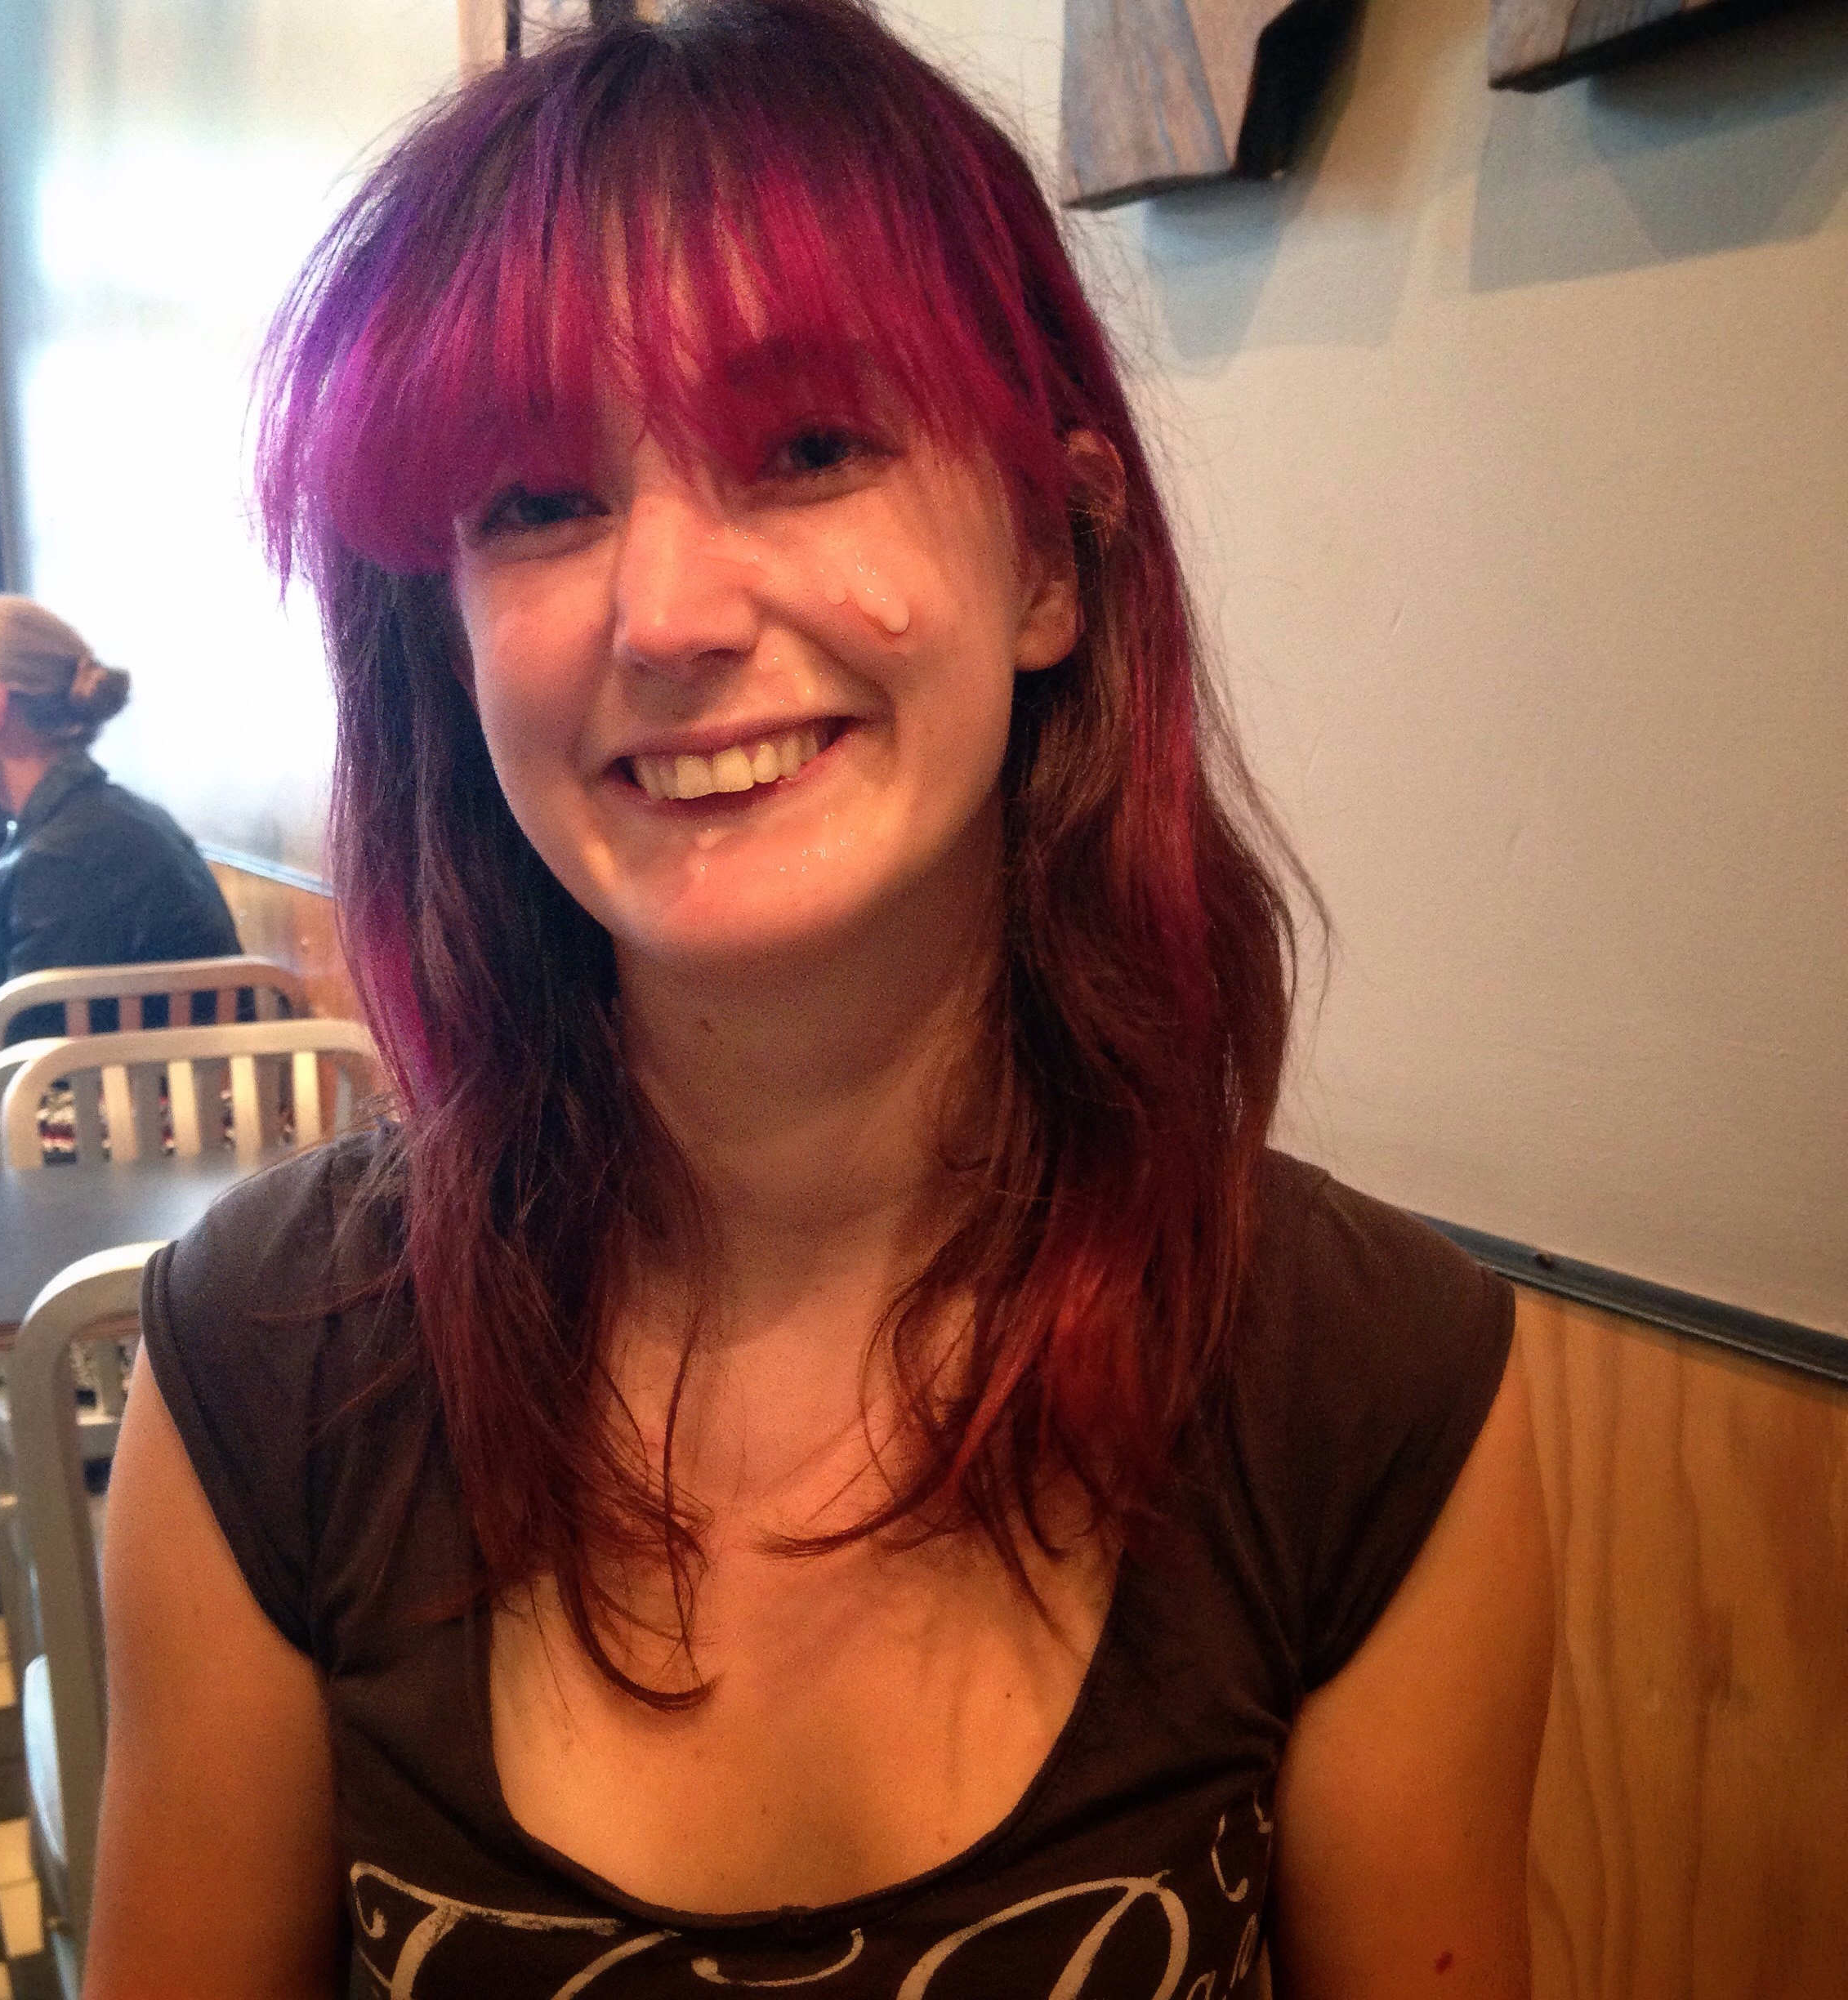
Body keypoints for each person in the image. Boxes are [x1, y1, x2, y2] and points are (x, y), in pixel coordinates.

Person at [91, 3, 1554, 1994]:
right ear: (442, 639)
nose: (669, 610)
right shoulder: (264, 1370)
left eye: (805, 447)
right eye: (534, 499)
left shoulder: (1365, 1384)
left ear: (1048, 556)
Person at [0, 595, 239, 1574]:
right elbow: (25, 1042)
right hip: (112, 1145)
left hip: (115, 1186)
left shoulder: (73, 854)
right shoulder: (77, 830)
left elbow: (22, 1089)